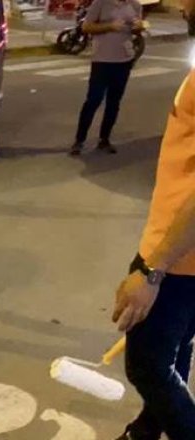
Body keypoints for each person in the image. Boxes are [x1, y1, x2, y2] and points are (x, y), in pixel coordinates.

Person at [112, 4, 195, 436]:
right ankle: (148, 428)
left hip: (179, 259)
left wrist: (151, 270)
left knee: (146, 365)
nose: (183, 6)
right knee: (175, 348)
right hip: (183, 255)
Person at [70, 0, 144, 155]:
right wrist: (109, 26)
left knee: (114, 102)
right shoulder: (101, 3)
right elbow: (86, 27)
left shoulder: (135, 5)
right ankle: (79, 140)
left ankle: (104, 139)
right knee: (93, 100)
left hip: (124, 60)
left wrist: (139, 27)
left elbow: (136, 30)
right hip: (102, 60)